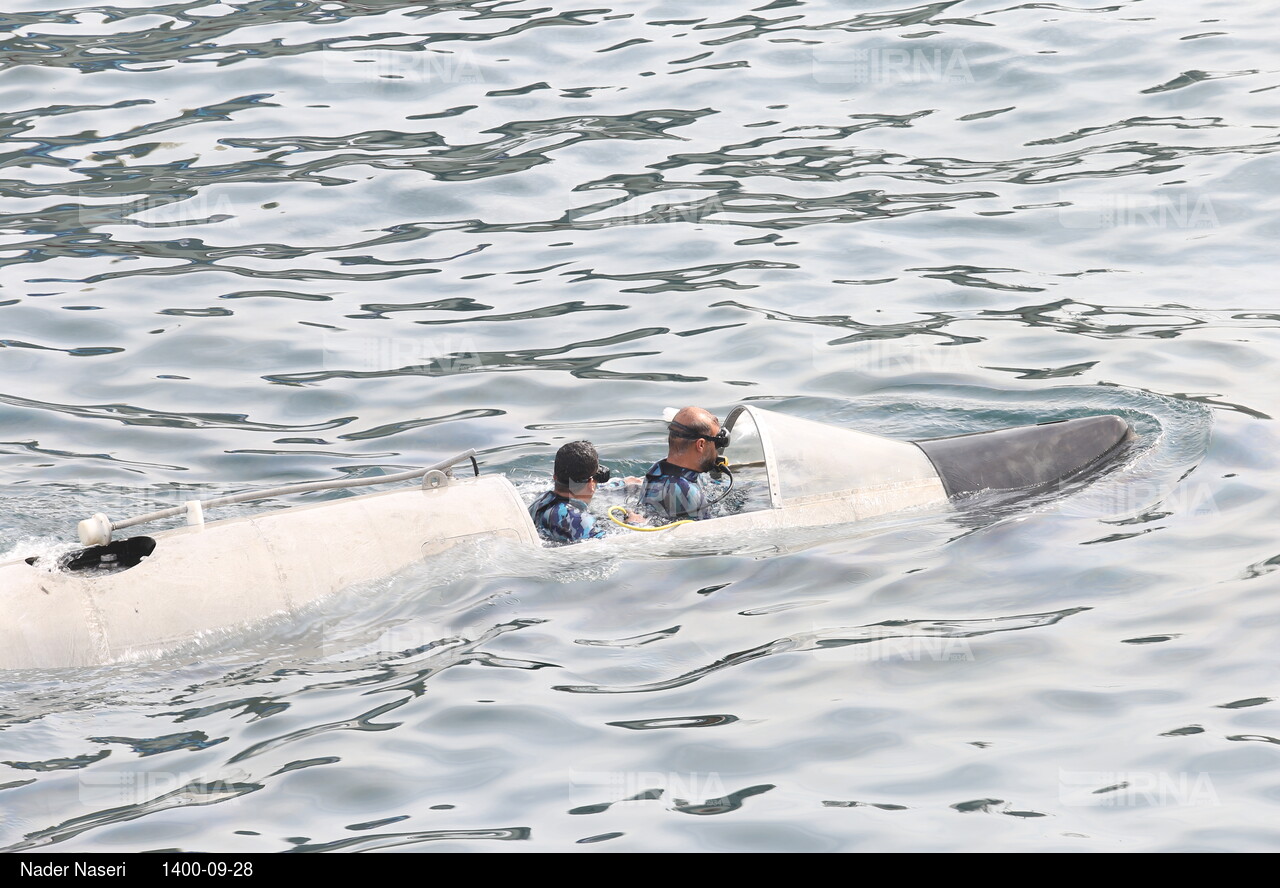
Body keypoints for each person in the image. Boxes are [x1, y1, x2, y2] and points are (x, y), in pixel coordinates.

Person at [529, 441, 641, 545]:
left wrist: (622, 483)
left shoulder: (540, 502)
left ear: (555, 477)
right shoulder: (579, 520)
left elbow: (588, 486)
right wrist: (633, 524)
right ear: (591, 484)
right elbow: (614, 545)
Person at [638, 406, 729, 523]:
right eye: (717, 444)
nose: (717, 452)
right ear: (700, 445)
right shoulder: (687, 492)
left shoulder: (658, 469)